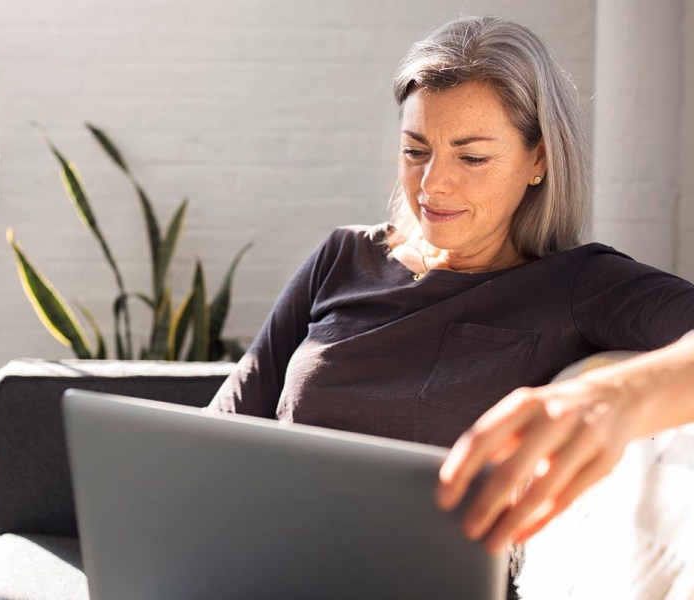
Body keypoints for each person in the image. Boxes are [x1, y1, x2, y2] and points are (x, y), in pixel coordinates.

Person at [208, 15, 694, 597]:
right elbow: (223, 435)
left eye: (472, 158)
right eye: (416, 150)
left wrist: (617, 398)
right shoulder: (341, 256)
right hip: (265, 570)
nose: (433, 185)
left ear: (538, 159)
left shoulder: (577, 283)